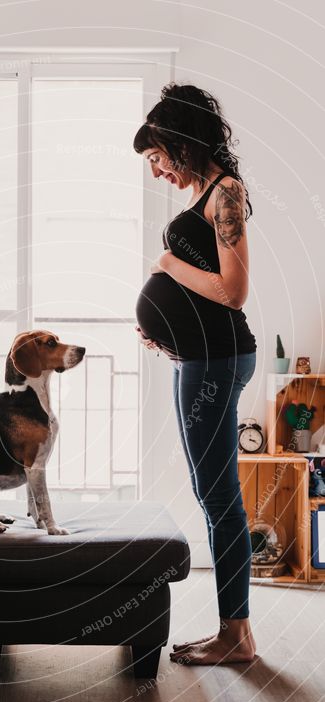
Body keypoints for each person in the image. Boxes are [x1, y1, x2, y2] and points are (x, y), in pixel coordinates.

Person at [134, 82, 257, 665]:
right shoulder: (207, 192)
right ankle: (235, 632)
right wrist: (168, 332)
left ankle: (236, 636)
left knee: (219, 496)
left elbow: (232, 293)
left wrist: (166, 265)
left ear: (180, 143)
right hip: (201, 357)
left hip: (218, 360)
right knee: (213, 494)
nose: (156, 171)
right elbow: (204, 302)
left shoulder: (224, 192)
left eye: (158, 157)